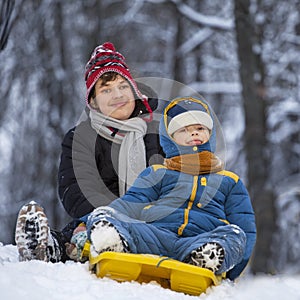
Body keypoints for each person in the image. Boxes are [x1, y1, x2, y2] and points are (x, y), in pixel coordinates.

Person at [14, 42, 165, 263]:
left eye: (123, 86)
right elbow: (73, 189)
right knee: (79, 235)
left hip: (155, 220)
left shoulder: (159, 133)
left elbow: (177, 178)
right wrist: (111, 217)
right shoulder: (80, 138)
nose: (118, 95)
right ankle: (48, 246)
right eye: (106, 89)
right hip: (99, 218)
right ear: (93, 101)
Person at [81, 96, 256, 281]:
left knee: (234, 234)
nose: (194, 134)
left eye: (200, 128)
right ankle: (111, 239)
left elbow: (245, 228)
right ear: (170, 138)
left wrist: (230, 274)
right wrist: (95, 218)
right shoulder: (158, 173)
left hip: (200, 242)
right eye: (185, 130)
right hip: (155, 236)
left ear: (210, 134)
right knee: (113, 218)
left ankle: (207, 258)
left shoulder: (229, 181)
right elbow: (131, 203)